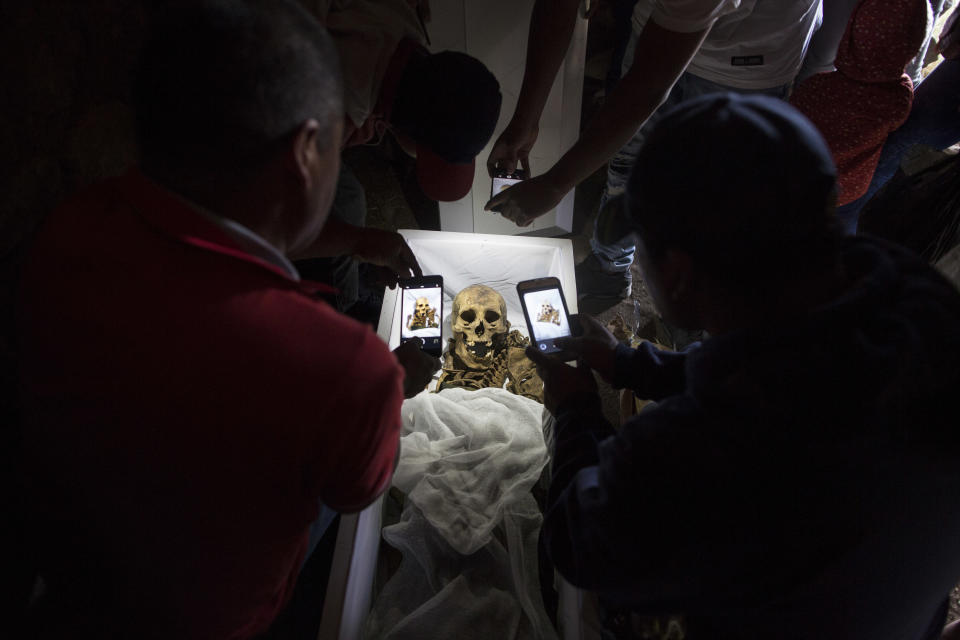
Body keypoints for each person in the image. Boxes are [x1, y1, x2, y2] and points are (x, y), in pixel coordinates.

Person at [15, 2, 438, 638]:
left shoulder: (69, 227)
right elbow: (356, 490)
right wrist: (395, 384)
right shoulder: (348, 370)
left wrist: (352, 241)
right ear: (306, 153)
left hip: (71, 576)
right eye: (341, 139)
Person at [526, 94, 960, 639]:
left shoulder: (701, 451)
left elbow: (579, 541)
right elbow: (789, 365)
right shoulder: (920, 304)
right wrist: (628, 364)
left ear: (677, 274)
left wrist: (575, 409)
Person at [484, 0, 822, 309]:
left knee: (708, 198)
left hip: (746, 64)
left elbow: (649, 85)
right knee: (627, 168)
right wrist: (524, 122)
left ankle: (700, 307)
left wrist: (555, 185)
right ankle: (609, 269)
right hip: (661, 29)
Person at [295, 0, 502, 310]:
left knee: (350, 198)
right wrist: (356, 241)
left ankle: (352, 280)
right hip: (229, 146)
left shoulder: (402, 14)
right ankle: (343, 307)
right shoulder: (324, 118)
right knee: (331, 210)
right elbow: (254, 230)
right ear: (406, 134)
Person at [790, 0, 930, 234]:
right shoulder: (899, 97)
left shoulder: (816, 87)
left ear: (851, 34)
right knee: (842, 229)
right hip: (851, 188)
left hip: (806, 181)